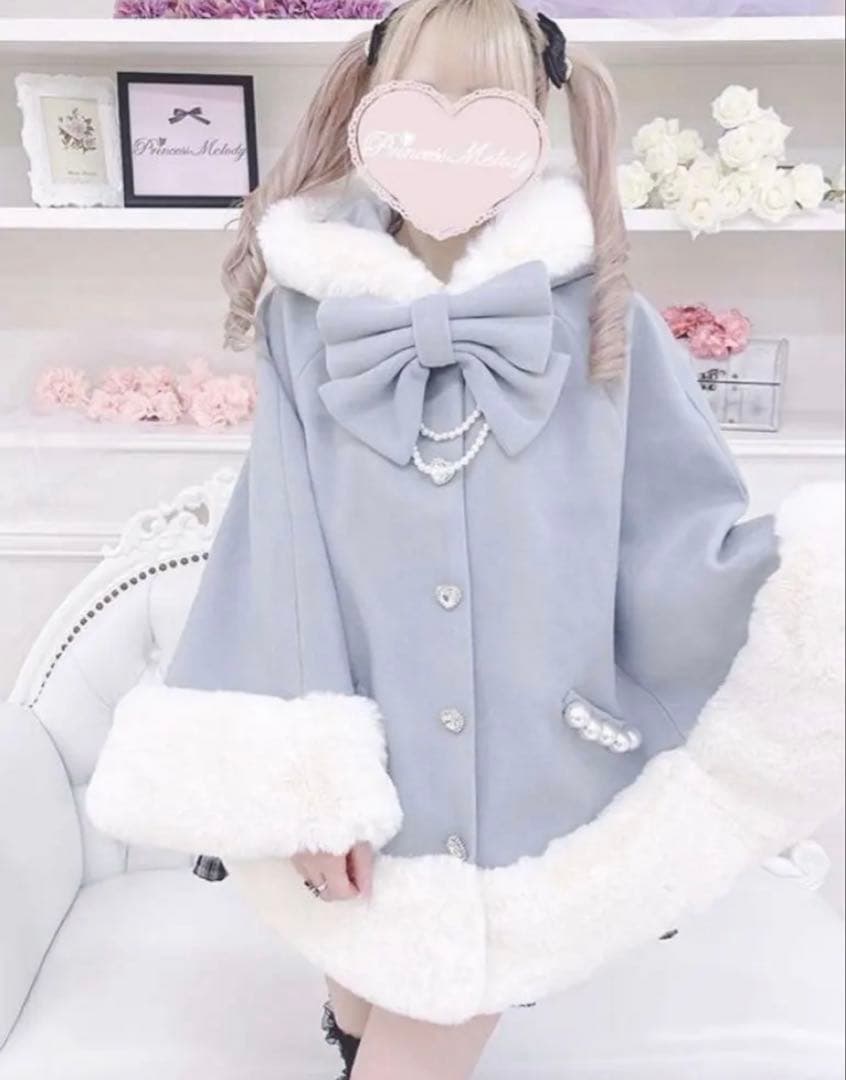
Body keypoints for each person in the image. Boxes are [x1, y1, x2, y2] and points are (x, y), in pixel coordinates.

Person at [86, 2, 845, 1078]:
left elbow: (681, 535)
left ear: (536, 118)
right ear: (368, 106)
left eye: (485, 106)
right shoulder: (306, 322)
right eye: (420, 101)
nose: (448, 132)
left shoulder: (604, 314)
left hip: (537, 781)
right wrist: (315, 790)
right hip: (376, 778)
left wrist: (806, 582)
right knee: (362, 1012)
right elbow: (281, 554)